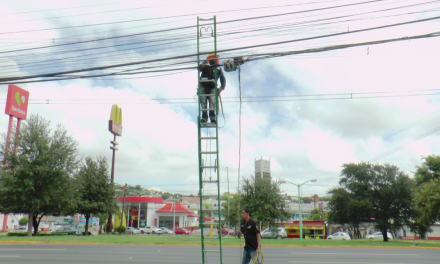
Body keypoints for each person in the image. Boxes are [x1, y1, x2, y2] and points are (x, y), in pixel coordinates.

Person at [199, 52, 226, 124]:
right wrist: (204, 65)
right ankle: (204, 117)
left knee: (212, 102)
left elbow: (223, 79)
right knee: (203, 102)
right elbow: (200, 67)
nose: (216, 59)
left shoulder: (218, 68)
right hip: (203, 86)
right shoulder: (206, 63)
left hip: (212, 87)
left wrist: (221, 88)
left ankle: (212, 117)